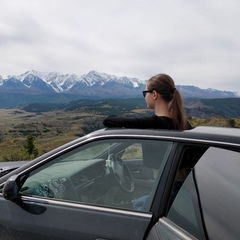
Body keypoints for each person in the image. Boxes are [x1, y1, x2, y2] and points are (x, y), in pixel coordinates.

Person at [103, 73, 191, 130]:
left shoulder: (152, 123)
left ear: (154, 95)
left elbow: (108, 120)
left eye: (145, 93)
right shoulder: (184, 124)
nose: (145, 97)